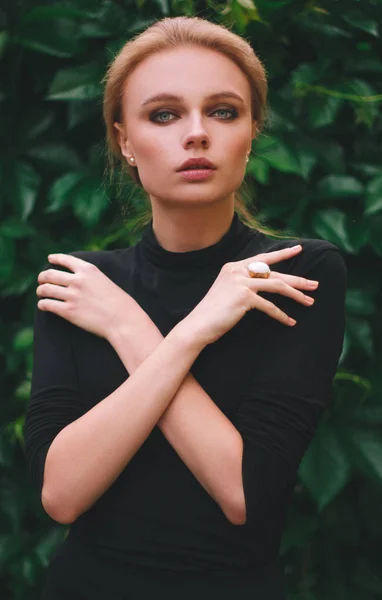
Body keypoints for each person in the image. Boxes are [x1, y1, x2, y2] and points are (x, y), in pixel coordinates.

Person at [23, 15, 347, 600]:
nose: (196, 134)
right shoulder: (81, 286)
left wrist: (130, 328)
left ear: (252, 132)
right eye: (164, 114)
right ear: (124, 140)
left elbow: (242, 494)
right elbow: (61, 495)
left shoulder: (298, 272)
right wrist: (172, 328)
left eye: (223, 111)